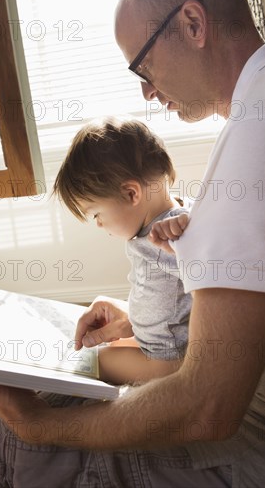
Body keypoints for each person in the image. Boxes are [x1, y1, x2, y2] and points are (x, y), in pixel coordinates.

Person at [0, 0, 265, 488]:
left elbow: (206, 409)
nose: (145, 89)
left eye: (143, 65)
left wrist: (45, 426)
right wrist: (131, 316)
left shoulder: (264, 138)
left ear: (193, 24)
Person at [53, 116, 192, 385]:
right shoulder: (155, 226)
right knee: (104, 349)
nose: (99, 224)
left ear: (131, 194)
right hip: (155, 346)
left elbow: (221, 275)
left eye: (95, 214)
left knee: (92, 362)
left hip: (168, 363)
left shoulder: (172, 233)